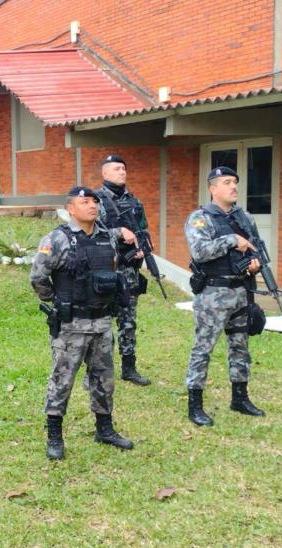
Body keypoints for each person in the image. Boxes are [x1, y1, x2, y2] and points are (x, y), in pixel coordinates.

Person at [30, 186, 135, 460]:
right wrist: (58, 301)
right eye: (84, 201)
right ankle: (54, 435)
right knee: (62, 380)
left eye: (94, 202)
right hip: (71, 325)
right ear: (71, 209)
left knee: (104, 380)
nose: (92, 206)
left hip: (101, 323)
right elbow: (37, 277)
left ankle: (105, 429)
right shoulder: (57, 239)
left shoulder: (105, 239)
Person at [184, 166, 266, 426]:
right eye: (227, 182)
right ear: (212, 188)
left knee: (240, 346)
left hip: (241, 291)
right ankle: (195, 404)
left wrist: (255, 263)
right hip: (213, 293)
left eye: (235, 182)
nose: (233, 187)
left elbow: (257, 250)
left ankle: (239, 397)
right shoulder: (200, 218)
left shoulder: (245, 218)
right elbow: (199, 251)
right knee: (203, 348)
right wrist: (231, 240)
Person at [95, 155, 152, 386]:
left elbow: (143, 229)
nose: (122, 172)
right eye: (117, 169)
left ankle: (129, 368)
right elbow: (91, 234)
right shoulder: (94, 201)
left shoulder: (135, 202)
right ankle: (99, 367)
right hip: (105, 271)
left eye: (124, 169)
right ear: (105, 174)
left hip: (129, 270)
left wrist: (143, 248)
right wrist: (118, 232)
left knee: (128, 321)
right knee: (102, 321)